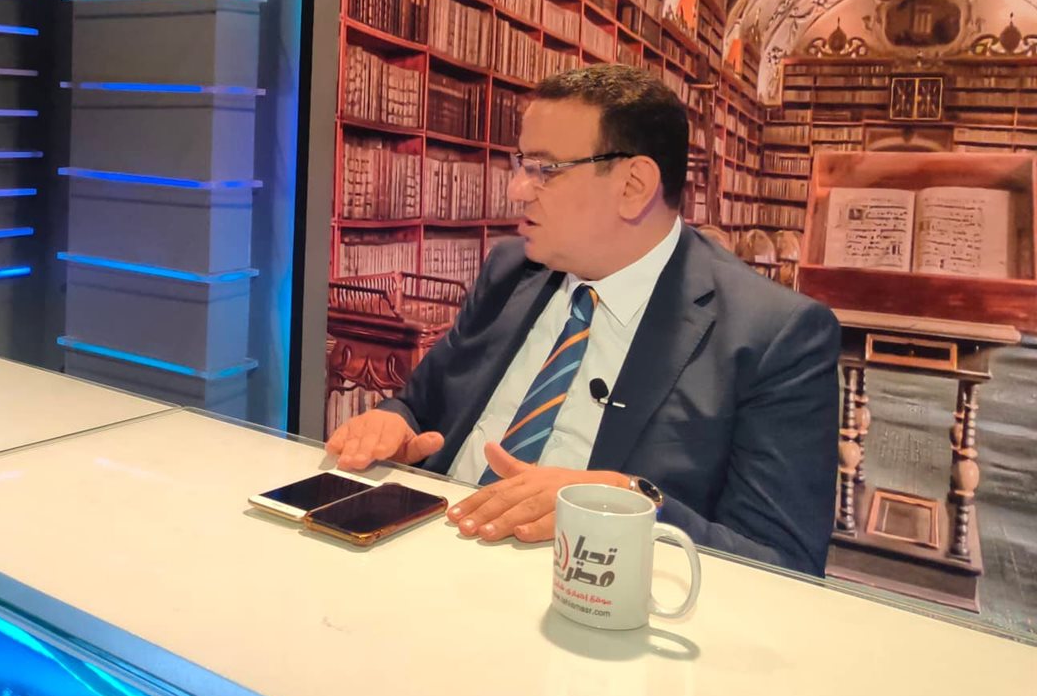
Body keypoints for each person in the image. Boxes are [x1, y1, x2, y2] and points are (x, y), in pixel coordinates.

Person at [325, 64, 840, 576]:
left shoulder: (774, 336)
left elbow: (784, 564)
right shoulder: (509, 271)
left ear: (634, 185)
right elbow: (418, 407)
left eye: (545, 169)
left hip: (588, 594)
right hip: (424, 559)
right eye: (521, 163)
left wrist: (625, 503)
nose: (516, 190)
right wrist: (391, 423)